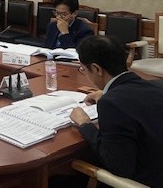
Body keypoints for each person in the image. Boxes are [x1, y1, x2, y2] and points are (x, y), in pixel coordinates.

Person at [67, 35, 163, 187]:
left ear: (96, 69)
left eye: (84, 69)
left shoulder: (111, 104)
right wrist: (108, 93)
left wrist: (85, 124)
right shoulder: (157, 85)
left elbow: (120, 167)